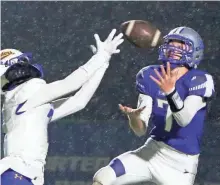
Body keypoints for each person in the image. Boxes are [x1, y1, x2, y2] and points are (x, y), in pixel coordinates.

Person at [92, 27, 215, 185]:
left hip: (182, 164)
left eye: (180, 45)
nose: (173, 48)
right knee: (103, 176)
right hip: (153, 151)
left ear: (194, 51)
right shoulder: (149, 75)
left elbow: (184, 119)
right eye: (171, 43)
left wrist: (170, 91)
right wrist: (134, 118)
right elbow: (140, 131)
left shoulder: (200, 79)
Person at [0, 29, 123, 185]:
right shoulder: (27, 92)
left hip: (19, 174)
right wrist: (101, 56)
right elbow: (71, 83)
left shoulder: (26, 103)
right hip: (19, 174)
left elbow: (79, 101)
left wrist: (103, 64)